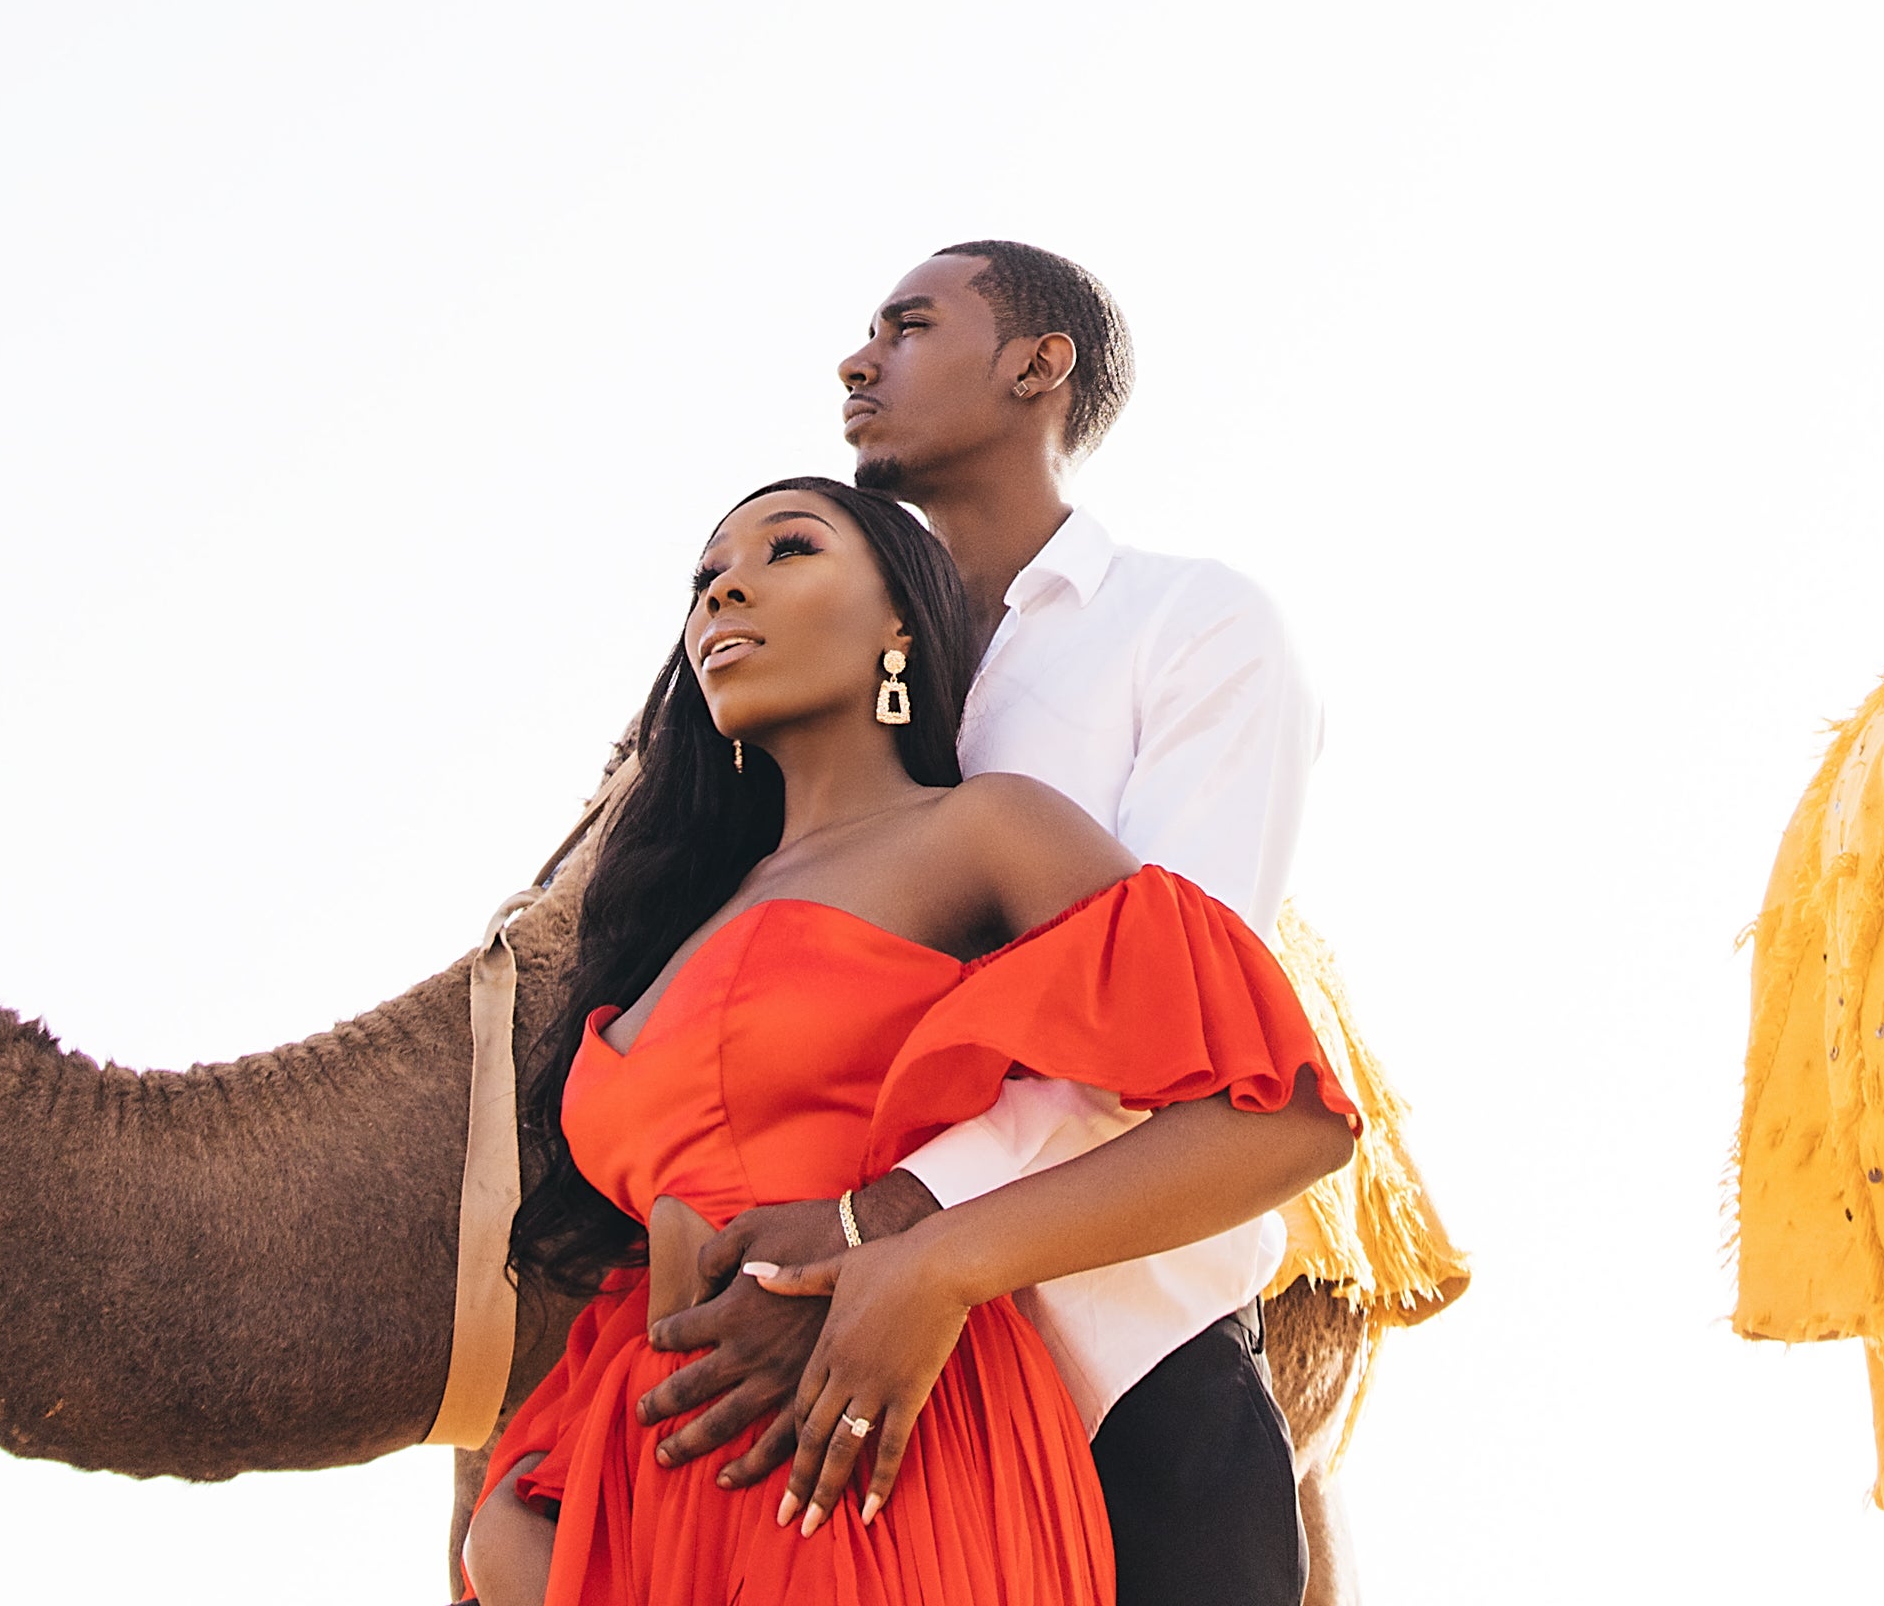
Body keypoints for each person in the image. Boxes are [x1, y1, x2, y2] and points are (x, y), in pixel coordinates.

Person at [462, 477, 1355, 1605]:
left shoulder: (985, 831)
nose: (724, 586)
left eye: (789, 548)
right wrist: (515, 1514)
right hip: (658, 1518)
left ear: (901, 625)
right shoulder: (670, 922)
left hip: (884, 1476)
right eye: (703, 577)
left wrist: (936, 1263)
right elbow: (639, 1292)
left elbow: (1283, 1120)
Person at [637, 246, 1325, 1606]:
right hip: (818, 1389)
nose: (857, 360)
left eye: (907, 326)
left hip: (1130, 1343)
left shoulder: (1191, 629)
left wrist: (885, 1226)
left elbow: (1181, 1033)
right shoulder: (840, 669)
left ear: (1037, 365)